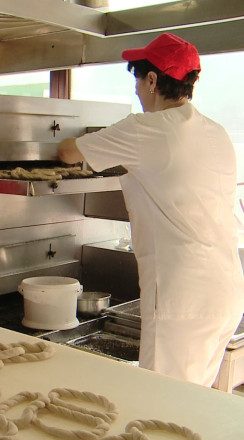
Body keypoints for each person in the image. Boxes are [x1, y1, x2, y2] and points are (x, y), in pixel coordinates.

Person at [58, 32, 244, 387]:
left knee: (163, 402)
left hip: (182, 299)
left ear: (153, 81)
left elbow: (68, 152)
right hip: (227, 292)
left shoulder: (145, 129)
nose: (137, 91)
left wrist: (68, 138)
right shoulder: (216, 132)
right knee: (194, 400)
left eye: (138, 81)